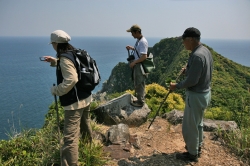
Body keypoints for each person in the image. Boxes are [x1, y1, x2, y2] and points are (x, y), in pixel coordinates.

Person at [43, 30, 93, 166]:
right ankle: (90, 152)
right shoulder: (75, 52)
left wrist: (56, 90)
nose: (53, 45)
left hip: (74, 103)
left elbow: (72, 79)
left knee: (70, 139)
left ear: (56, 43)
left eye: (53, 43)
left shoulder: (65, 58)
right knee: (85, 126)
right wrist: (55, 62)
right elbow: (74, 66)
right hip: (86, 97)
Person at [170, 27, 213, 162]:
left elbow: (192, 81)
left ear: (191, 39)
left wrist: (176, 86)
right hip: (205, 93)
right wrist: (188, 70)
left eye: (184, 40)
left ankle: (192, 154)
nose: (183, 43)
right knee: (198, 123)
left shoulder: (197, 55)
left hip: (196, 95)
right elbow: (200, 72)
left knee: (190, 126)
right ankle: (198, 146)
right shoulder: (205, 51)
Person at [126, 24, 148, 107]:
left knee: (139, 82)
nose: (132, 35)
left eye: (132, 33)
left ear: (137, 32)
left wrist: (134, 62)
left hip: (139, 65)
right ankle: (139, 98)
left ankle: (140, 101)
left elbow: (144, 56)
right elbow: (139, 51)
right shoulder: (139, 40)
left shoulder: (142, 42)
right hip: (137, 64)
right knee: (137, 82)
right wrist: (132, 48)